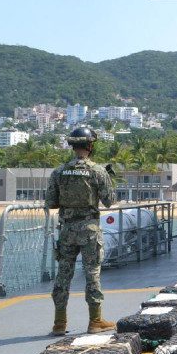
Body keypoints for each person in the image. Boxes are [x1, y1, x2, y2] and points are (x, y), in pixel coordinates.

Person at [45, 127, 116, 335]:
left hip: (67, 229)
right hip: (89, 230)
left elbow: (50, 202)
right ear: (90, 146)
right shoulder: (97, 171)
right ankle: (95, 321)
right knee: (92, 273)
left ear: (73, 146)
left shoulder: (59, 172)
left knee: (63, 274)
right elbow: (109, 201)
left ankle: (59, 323)